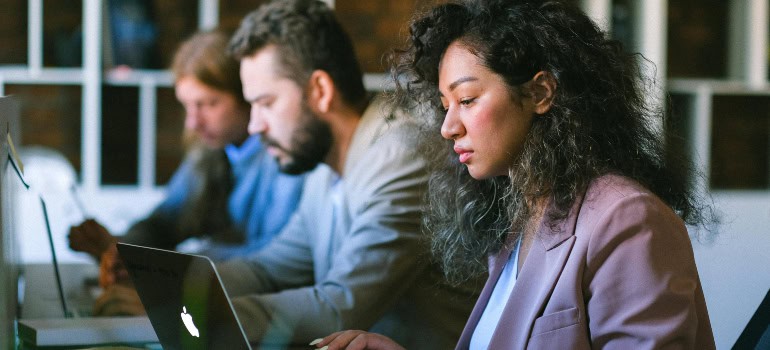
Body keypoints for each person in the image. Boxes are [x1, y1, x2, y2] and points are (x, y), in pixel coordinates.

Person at [315, 0, 717, 349]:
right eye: (445, 104)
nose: (448, 126)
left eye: (468, 99)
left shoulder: (628, 219)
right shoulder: (519, 222)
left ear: (540, 93)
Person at [213, 0, 480, 348]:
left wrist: (204, 313)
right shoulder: (325, 168)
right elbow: (268, 269)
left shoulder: (403, 153)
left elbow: (340, 307)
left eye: (266, 103)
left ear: (320, 91)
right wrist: (176, 284)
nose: (254, 125)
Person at [67, 30, 305, 313]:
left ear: (247, 96)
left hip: (265, 309)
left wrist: (167, 266)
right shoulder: (210, 151)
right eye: (187, 106)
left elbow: (273, 261)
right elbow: (165, 222)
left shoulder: (286, 156)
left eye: (208, 104)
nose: (193, 122)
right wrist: (124, 249)